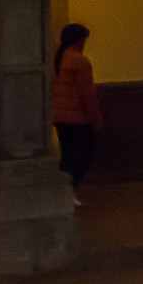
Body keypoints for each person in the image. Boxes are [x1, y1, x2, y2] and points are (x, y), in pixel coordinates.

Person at [52, 22, 100, 203]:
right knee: (88, 151)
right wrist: (95, 118)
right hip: (77, 118)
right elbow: (87, 95)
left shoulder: (57, 59)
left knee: (67, 155)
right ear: (79, 41)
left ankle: (62, 192)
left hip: (60, 116)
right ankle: (68, 189)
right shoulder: (80, 62)